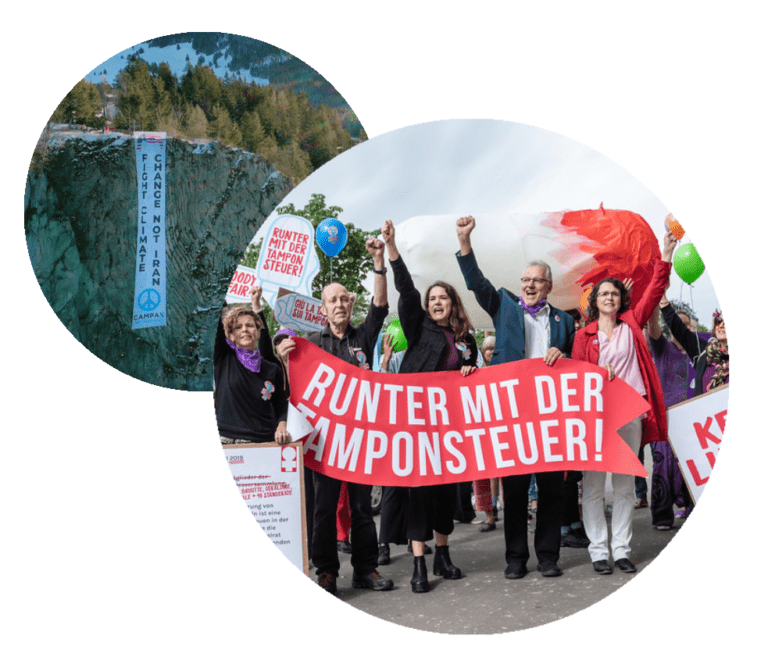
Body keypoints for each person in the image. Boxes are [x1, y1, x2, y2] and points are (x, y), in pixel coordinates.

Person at [456, 215, 575, 579]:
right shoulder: (504, 306)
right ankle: (515, 558)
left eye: (536, 280)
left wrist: (564, 356)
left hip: (550, 416)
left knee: (553, 487)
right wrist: (464, 242)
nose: (528, 285)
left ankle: (549, 555)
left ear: (549, 286)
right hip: (515, 415)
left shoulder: (565, 323)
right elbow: (476, 283)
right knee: (515, 488)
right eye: (525, 280)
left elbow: (575, 368)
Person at [277, 236, 393, 595]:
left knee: (361, 509)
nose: (340, 303)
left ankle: (366, 570)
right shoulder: (309, 345)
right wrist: (282, 355)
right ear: (323, 310)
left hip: (358, 443)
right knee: (324, 510)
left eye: (345, 298)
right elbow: (286, 378)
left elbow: (380, 305)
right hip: (324, 447)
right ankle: (325, 572)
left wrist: (378, 261)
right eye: (332, 300)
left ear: (350, 304)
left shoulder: (364, 337)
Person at [572, 231, 678, 575]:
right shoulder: (581, 336)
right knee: (592, 487)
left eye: (614, 293)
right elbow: (576, 380)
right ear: (595, 300)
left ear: (621, 300)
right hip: (596, 417)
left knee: (623, 487)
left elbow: (657, 289)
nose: (608, 298)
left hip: (630, 412)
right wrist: (594, 373)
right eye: (603, 293)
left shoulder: (632, 324)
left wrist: (666, 253)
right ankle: (598, 551)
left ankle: (620, 549)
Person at [383, 219, 478, 593]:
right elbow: (406, 291)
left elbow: (473, 381)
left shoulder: (465, 339)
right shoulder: (417, 325)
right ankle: (419, 564)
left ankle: (443, 555)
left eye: (443, 297)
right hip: (417, 426)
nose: (437, 302)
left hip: (448, 431)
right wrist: (392, 249)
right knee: (419, 494)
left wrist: (470, 370)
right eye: (432, 298)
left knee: (445, 494)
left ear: (453, 303)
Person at [214, 286, 290, 446]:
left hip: (261, 443)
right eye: (238, 327)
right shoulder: (224, 357)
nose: (245, 330)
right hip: (225, 443)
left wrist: (282, 425)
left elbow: (281, 405)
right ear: (232, 336)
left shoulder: (272, 369)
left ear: (257, 332)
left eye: (249, 326)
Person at [644, 304, 695, 530]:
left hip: (693, 422)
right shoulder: (663, 348)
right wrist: (655, 299)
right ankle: (662, 516)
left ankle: (693, 509)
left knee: (692, 467)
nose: (684, 327)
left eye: (688, 324)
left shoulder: (700, 352)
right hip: (667, 421)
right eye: (679, 324)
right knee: (664, 469)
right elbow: (653, 325)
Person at [472, 336, 501, 532]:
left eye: (493, 348)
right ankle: (490, 516)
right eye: (487, 349)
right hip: (483, 429)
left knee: (506, 473)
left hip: (502, 428)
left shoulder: (505, 369)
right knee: (485, 472)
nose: (490, 351)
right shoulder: (476, 373)